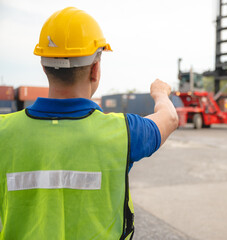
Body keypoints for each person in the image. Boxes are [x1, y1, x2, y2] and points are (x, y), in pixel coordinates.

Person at [0, 7, 178, 240]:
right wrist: (160, 93)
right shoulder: (124, 132)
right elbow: (170, 118)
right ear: (95, 70)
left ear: (43, 66)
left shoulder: (4, 130)